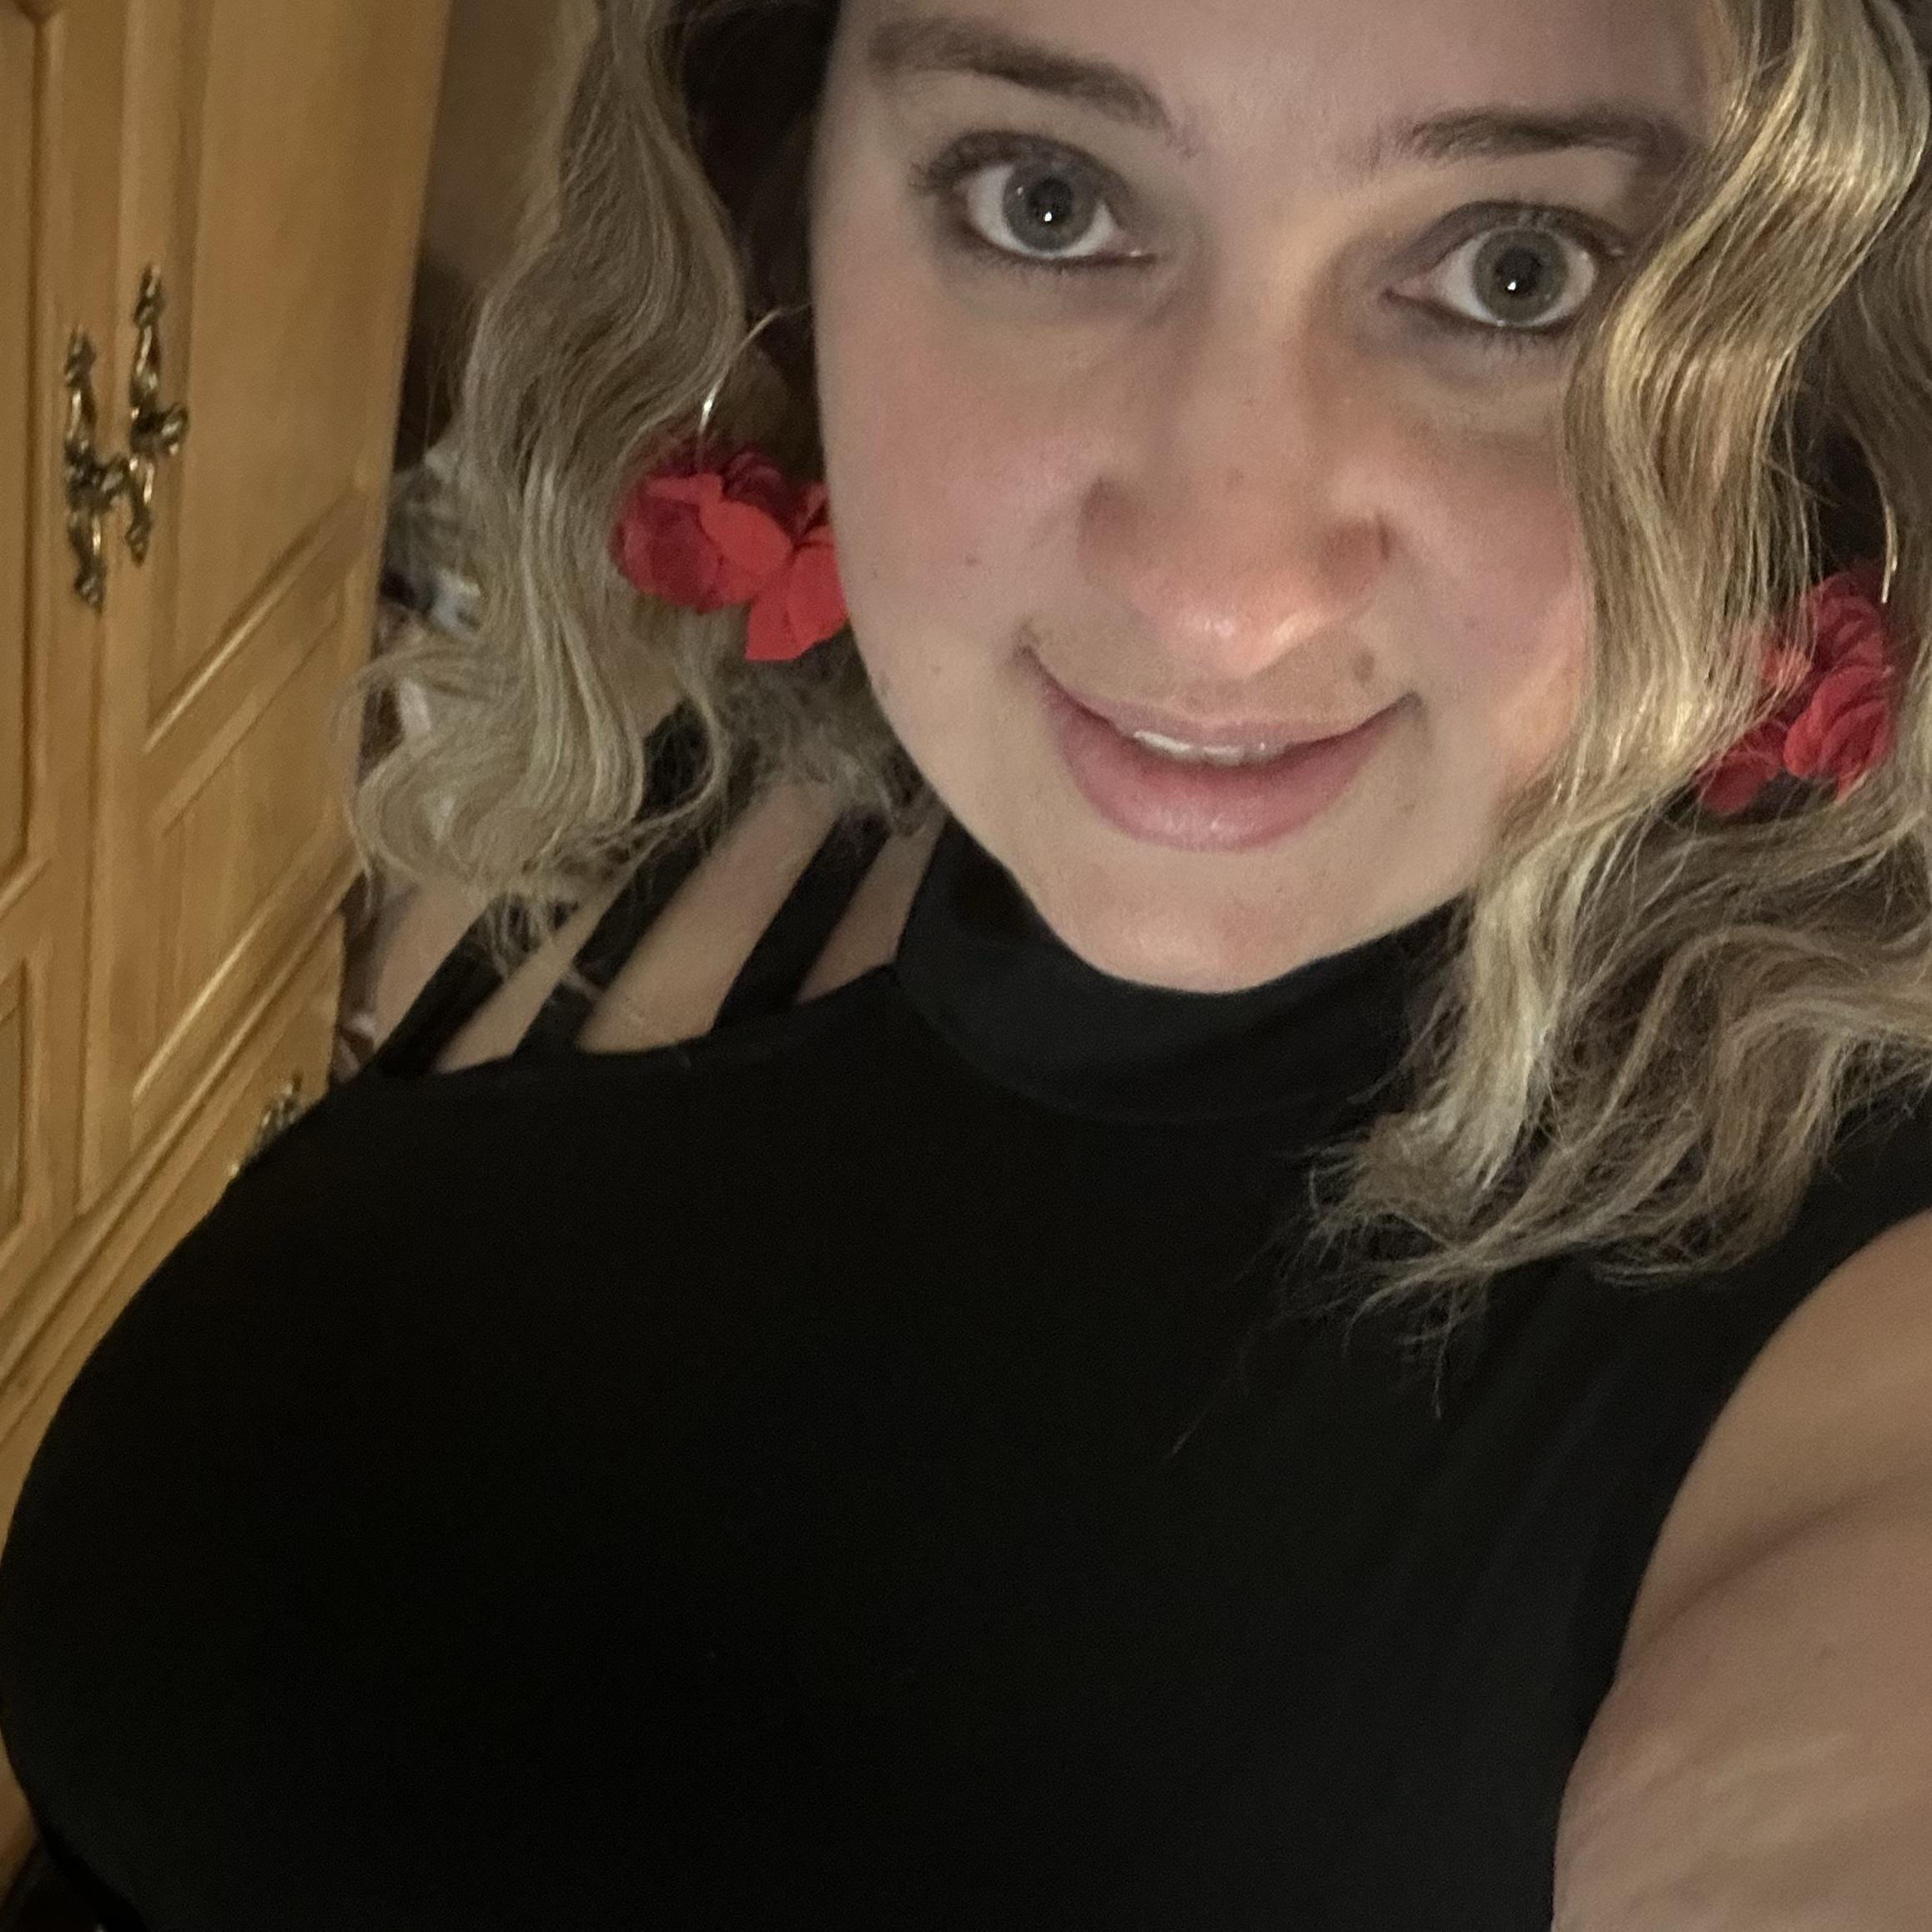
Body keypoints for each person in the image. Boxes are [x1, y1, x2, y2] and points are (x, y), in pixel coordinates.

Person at [3, 0, 1931, 1924]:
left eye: (1521, 268)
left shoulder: (1840, 1334)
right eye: (1049, 199)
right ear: (785, 194)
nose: (1213, 597)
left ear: (1795, 339)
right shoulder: (734, 762)